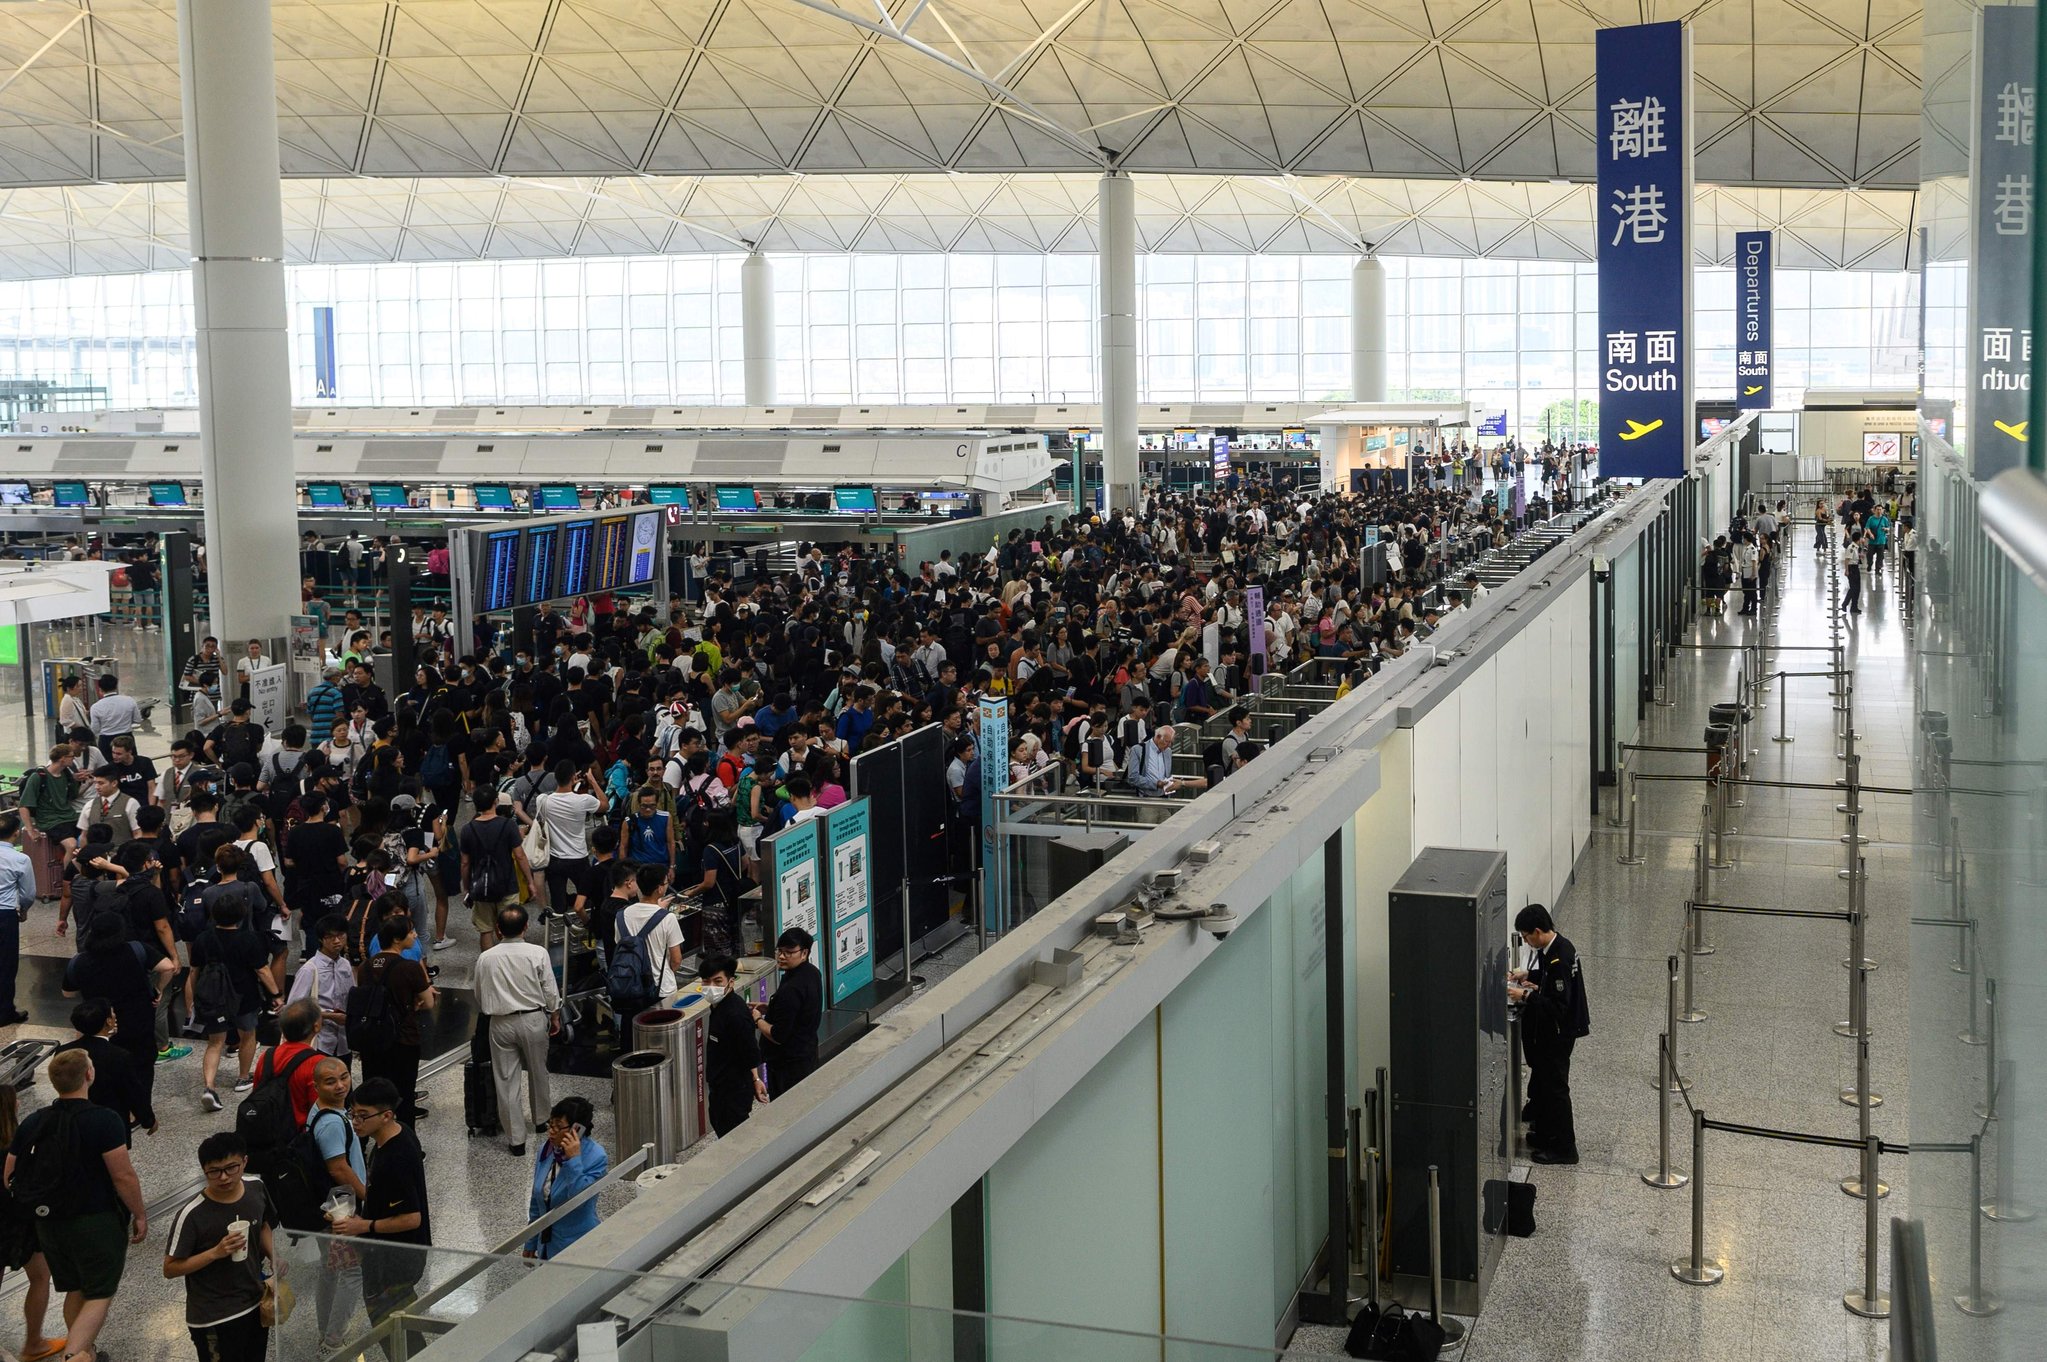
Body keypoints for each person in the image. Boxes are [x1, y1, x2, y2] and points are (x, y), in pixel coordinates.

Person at [4, 1050, 148, 1362]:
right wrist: (139, 1213)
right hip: (94, 1220)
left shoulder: (34, 1121)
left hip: (48, 1224)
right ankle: (73, 1356)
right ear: (88, 1076)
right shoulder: (105, 1120)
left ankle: (86, 1350)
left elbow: (9, 1176)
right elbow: (122, 1175)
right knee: (99, 1292)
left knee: (76, 1287)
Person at [162, 1131, 277, 1362]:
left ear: (244, 1162)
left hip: (255, 1301)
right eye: (214, 1172)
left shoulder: (256, 1188)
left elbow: (263, 1224)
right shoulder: (192, 1214)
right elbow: (170, 1268)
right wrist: (216, 1252)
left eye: (231, 1168)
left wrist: (275, 1256)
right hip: (214, 1316)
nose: (224, 1177)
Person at [331, 1076, 431, 1329]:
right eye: (353, 1114)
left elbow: (411, 1218)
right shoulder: (401, 1132)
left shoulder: (394, 1159)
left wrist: (363, 1227)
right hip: (396, 1255)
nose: (356, 1122)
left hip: (394, 1261)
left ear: (386, 1115)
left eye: (363, 1116)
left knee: (392, 1330)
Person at [187, 859, 274, 1112]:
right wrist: (276, 994)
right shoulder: (248, 939)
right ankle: (242, 1077)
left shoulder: (204, 938)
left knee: (215, 1042)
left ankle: (209, 1086)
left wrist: (191, 998)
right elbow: (262, 969)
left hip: (213, 995)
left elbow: (194, 970)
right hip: (244, 994)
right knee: (248, 1035)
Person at [474, 905, 561, 1158]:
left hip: (500, 1022)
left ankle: (516, 1140)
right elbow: (550, 989)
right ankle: (542, 1119)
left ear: (498, 929)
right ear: (526, 927)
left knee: (506, 1080)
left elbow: (479, 994)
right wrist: (554, 1014)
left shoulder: (486, 957)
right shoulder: (537, 953)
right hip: (533, 1018)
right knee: (538, 1071)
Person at [1507, 903, 1589, 1166]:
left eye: (1526, 936)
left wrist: (1526, 995)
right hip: (1551, 1034)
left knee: (1555, 1089)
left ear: (1538, 931)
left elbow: (1558, 1006)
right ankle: (1546, 1134)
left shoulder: (1559, 957)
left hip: (1558, 1034)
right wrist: (1528, 975)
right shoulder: (1556, 948)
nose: (1526, 941)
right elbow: (1548, 977)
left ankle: (1565, 1148)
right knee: (1542, 1084)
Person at [0, 1086, 63, 1362]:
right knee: (40, 1277)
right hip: (22, 1224)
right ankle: (33, 1342)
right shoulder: (20, 1148)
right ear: (13, 1108)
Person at [357, 905, 436, 1125]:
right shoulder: (409, 968)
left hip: (372, 1038)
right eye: (411, 932)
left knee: (375, 1091)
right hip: (404, 1038)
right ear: (397, 939)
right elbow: (428, 1002)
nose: (415, 935)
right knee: (404, 1093)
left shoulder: (365, 967)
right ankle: (403, 1140)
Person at [524, 1096, 608, 1262]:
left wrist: (573, 1160)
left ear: (576, 1130)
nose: (551, 1131)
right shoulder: (546, 1150)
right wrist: (531, 1241)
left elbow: (579, 1199)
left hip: (578, 1246)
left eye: (558, 1126)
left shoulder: (596, 1157)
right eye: (551, 1124)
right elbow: (537, 1198)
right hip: (547, 1247)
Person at [54, 1000, 149, 1135]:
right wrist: (147, 1119)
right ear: (109, 1021)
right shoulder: (120, 1056)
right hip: (111, 1123)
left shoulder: (63, 1051)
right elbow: (133, 1092)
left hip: (72, 1121)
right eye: (112, 1013)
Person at [697, 954, 764, 1137]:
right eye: (706, 981)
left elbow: (750, 1052)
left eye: (718, 981)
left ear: (731, 982)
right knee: (720, 1123)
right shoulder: (718, 1006)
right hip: (720, 1087)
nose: (711, 987)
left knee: (734, 1135)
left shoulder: (735, 1014)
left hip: (733, 1089)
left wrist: (755, 1080)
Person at [751, 927, 822, 1098]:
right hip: (807, 1053)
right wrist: (772, 1008)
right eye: (780, 951)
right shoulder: (811, 973)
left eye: (789, 952)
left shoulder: (791, 988)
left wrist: (757, 1019)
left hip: (788, 1065)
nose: (782, 956)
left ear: (804, 953)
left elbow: (778, 1035)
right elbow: (801, 1010)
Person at [457, 790, 527, 954]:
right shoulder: (508, 824)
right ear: (496, 802)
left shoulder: (468, 829)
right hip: (507, 884)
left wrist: (467, 888)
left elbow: (465, 863)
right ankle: (510, 961)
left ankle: (488, 962)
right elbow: (520, 856)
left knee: (485, 929)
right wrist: (529, 881)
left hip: (481, 886)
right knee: (511, 928)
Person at [287, 914, 356, 1063]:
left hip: (344, 1041)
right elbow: (294, 1008)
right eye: (330, 937)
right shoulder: (310, 969)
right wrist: (330, 1016)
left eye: (340, 935)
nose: (337, 941)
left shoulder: (345, 964)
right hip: (319, 1041)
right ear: (320, 939)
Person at [249, 997, 323, 1130]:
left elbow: (257, 1092)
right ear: (316, 1026)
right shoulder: (317, 1062)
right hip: (298, 1136)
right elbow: (319, 1109)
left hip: (268, 1130)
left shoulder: (267, 1056)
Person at [0, 814, 33, 1024]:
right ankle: (4, 1012)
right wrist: (24, 910)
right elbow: (28, 893)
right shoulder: (20, 859)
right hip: (5, 915)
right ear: (16, 833)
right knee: (6, 964)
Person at [86, 675, 141, 758]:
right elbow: (138, 719)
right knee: (130, 764)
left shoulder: (96, 707)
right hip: (127, 738)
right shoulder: (129, 700)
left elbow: (95, 729)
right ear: (116, 686)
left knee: (108, 767)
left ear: (100, 689)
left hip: (106, 740)